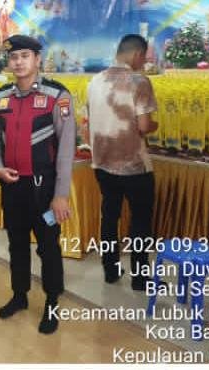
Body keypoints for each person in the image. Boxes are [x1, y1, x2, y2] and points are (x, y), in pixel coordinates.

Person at [0, 35, 75, 334]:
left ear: (37, 59)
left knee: (48, 247)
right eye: (14, 57)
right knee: (16, 244)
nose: (19, 62)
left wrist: (60, 195)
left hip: (44, 190)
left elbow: (66, 149)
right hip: (13, 188)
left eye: (25, 56)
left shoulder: (57, 96)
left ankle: (51, 302)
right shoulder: (2, 97)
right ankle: (19, 295)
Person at [85, 34, 158, 292]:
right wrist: (156, 126)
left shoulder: (95, 80)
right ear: (137, 54)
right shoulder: (139, 81)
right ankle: (139, 278)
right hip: (134, 166)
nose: (144, 62)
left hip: (102, 163)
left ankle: (110, 270)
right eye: (144, 57)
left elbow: (87, 123)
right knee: (140, 221)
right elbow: (144, 126)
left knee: (109, 216)